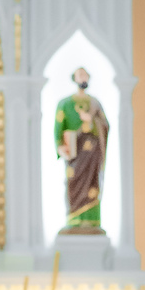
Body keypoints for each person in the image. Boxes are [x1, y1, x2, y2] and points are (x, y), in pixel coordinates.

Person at [55, 65, 108, 230]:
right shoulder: (65, 104)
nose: (83, 78)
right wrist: (59, 146)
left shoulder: (95, 104)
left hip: (92, 151)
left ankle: (92, 220)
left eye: (85, 75)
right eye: (79, 75)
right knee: (73, 181)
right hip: (75, 151)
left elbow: (105, 125)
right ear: (75, 79)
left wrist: (91, 122)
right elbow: (58, 127)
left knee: (92, 184)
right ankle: (73, 218)